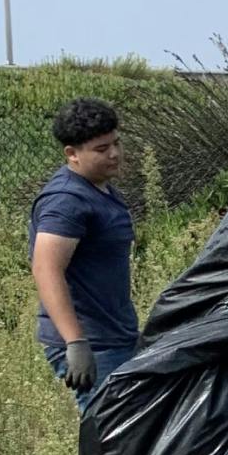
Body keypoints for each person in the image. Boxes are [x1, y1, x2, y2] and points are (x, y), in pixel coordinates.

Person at [28, 98, 139, 411]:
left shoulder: (100, 189)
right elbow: (46, 268)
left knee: (131, 438)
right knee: (113, 441)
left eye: (117, 143)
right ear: (72, 154)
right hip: (92, 342)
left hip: (116, 335)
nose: (115, 154)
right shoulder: (67, 201)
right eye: (102, 149)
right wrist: (75, 342)